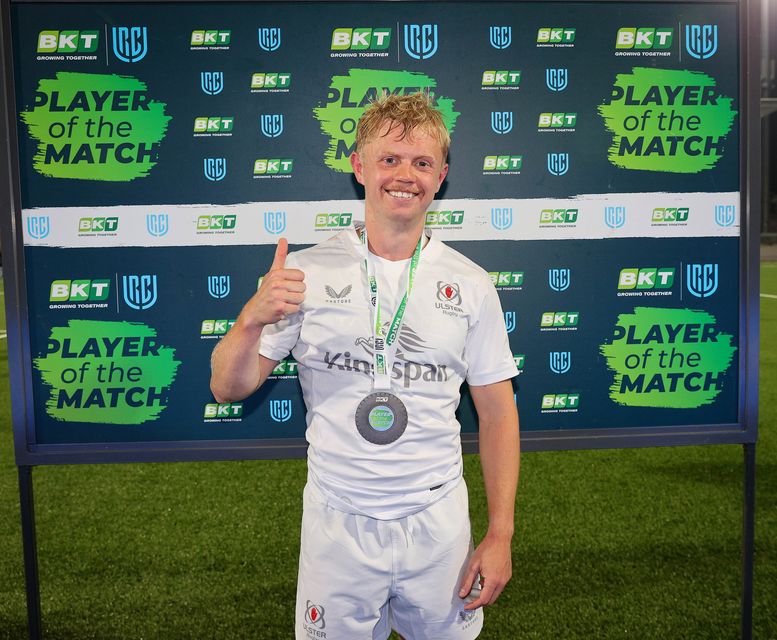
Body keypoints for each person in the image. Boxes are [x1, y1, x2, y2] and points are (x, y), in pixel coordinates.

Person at [210, 92, 520, 640]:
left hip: (437, 522)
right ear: (358, 166)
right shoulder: (303, 273)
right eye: (390, 159)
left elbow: (497, 414)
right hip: (338, 522)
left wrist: (500, 534)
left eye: (422, 163)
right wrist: (250, 321)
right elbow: (227, 387)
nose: (406, 175)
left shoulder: (471, 284)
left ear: (442, 176)